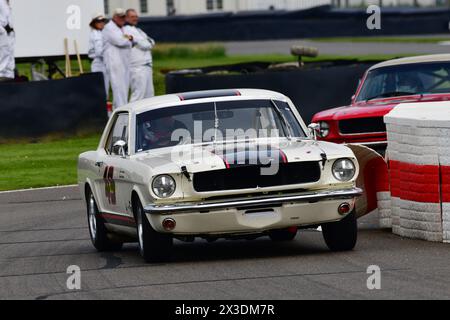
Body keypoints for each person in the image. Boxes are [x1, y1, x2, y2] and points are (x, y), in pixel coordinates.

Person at [102, 8, 133, 109]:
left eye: (123, 17)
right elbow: (120, 41)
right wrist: (128, 38)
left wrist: (128, 39)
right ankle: (123, 110)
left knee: (124, 89)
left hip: (123, 62)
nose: (122, 19)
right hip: (114, 62)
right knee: (119, 89)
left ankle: (118, 110)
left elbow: (130, 41)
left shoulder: (121, 28)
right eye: (120, 17)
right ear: (114, 17)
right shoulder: (109, 27)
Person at [124, 9, 156, 102]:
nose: (135, 18)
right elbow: (145, 44)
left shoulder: (138, 30)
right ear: (126, 18)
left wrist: (145, 42)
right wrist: (145, 42)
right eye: (132, 16)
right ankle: (131, 114)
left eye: (136, 16)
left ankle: (148, 116)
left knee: (149, 95)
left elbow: (151, 41)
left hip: (147, 65)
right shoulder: (125, 30)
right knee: (138, 94)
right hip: (137, 66)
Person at [88, 13, 109, 98]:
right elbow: (99, 52)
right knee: (99, 88)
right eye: (99, 21)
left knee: (106, 88)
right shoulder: (95, 34)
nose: (101, 23)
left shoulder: (103, 33)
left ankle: (106, 108)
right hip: (98, 63)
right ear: (94, 23)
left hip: (105, 63)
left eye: (103, 21)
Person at [0, 0, 15, 81]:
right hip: (2, 30)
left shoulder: (5, 2)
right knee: (3, 52)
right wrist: (2, 30)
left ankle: (9, 75)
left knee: (9, 52)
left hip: (9, 31)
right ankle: (2, 75)